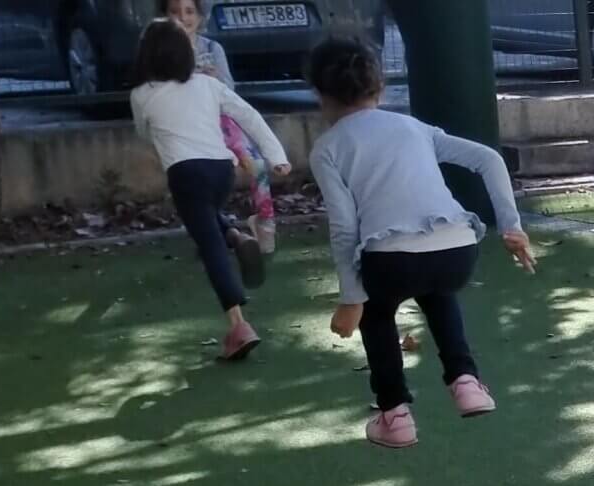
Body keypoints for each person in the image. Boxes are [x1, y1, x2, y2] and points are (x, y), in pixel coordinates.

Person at [305, 37, 533, 449]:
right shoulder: (415, 127)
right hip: (457, 250)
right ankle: (466, 382)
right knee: (437, 289)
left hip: (390, 262)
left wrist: (351, 297)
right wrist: (511, 226)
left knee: (376, 312)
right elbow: (489, 159)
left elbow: (344, 227)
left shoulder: (327, 148)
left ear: (320, 95)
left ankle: (395, 415)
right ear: (379, 87)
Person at [129, 18, 287, 360]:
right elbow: (249, 115)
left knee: (209, 244)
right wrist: (277, 156)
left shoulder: (141, 95)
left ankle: (238, 325)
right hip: (222, 170)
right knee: (208, 217)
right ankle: (236, 235)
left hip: (185, 172)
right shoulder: (208, 85)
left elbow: (144, 133)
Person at [163, 0, 276, 256]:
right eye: (174, 12)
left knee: (257, 166)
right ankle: (217, 235)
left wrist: (214, 81)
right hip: (188, 128)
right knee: (201, 184)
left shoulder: (212, 48)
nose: (183, 18)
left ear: (200, 17)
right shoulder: (161, 53)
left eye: (189, 12)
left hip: (223, 123)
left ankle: (264, 222)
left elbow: (230, 91)